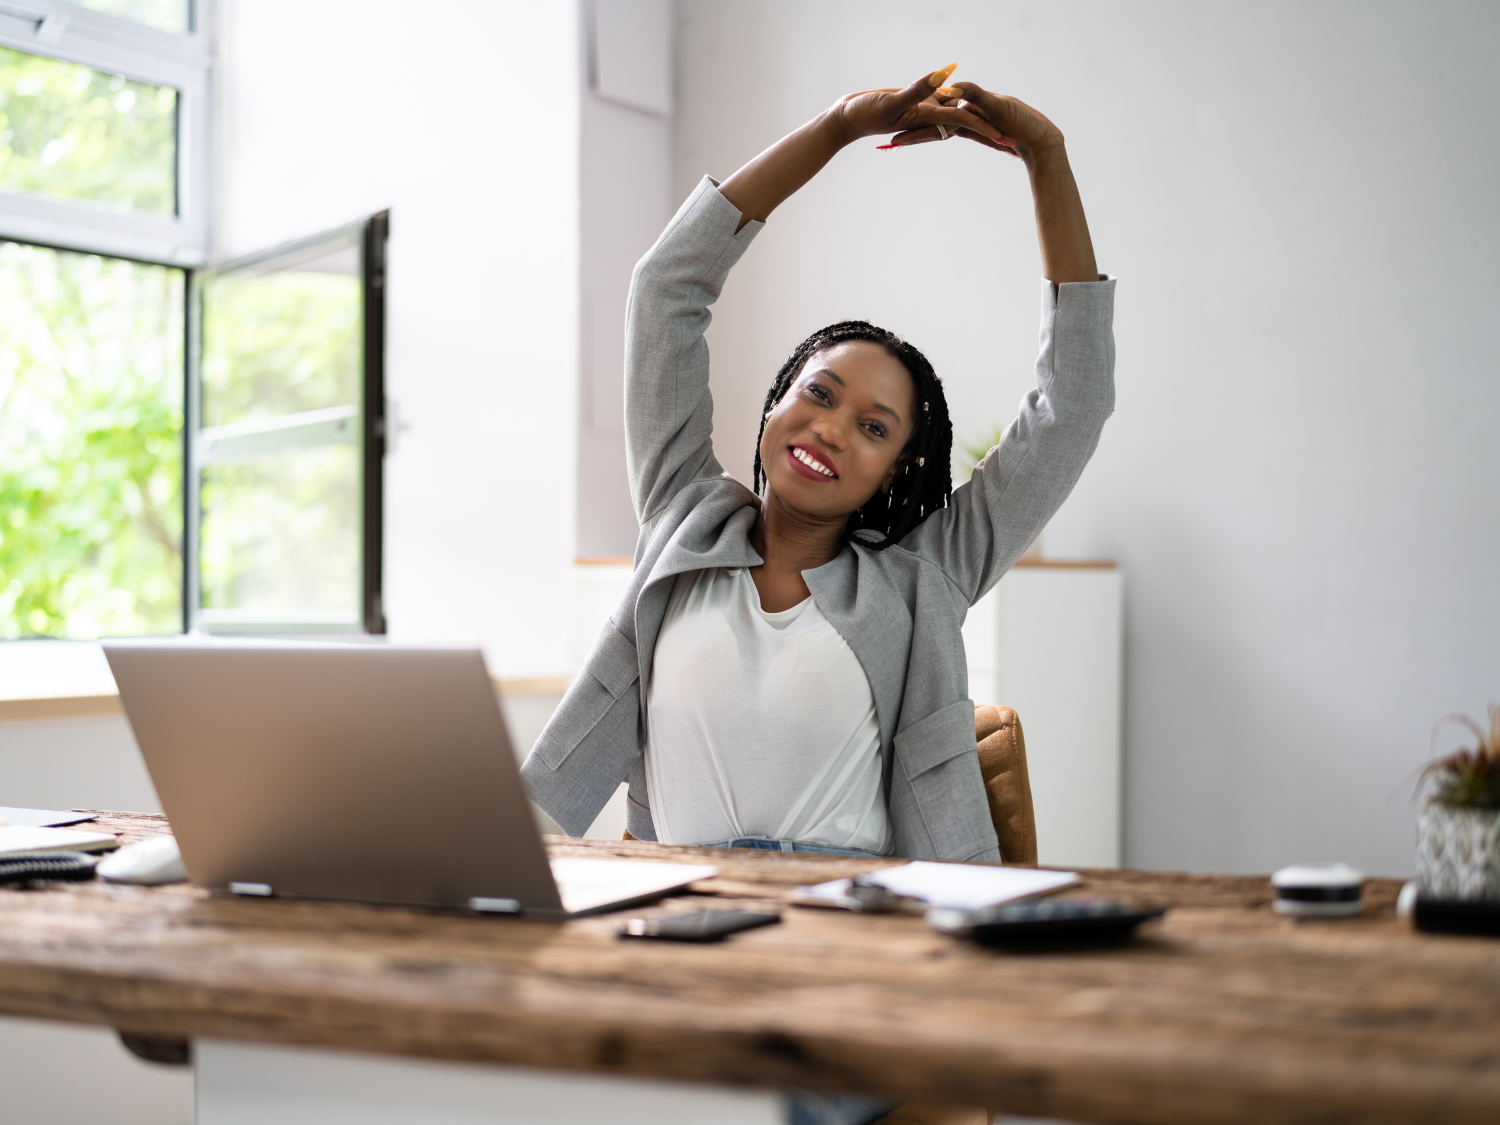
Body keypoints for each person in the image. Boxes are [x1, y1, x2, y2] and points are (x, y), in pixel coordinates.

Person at [523, 67, 1114, 870]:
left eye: (872, 426)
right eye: (819, 393)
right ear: (775, 404)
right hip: (675, 914)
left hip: (852, 925)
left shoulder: (924, 578)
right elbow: (665, 289)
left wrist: (1047, 156)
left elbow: (1070, 405)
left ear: (895, 469)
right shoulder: (680, 516)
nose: (831, 429)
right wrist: (838, 127)